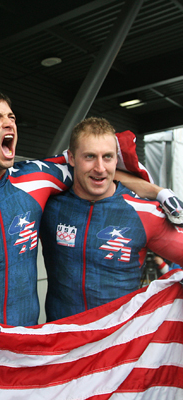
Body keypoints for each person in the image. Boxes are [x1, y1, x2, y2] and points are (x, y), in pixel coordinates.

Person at [0, 89, 178, 326]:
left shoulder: (37, 179)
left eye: (10, 117)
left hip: (33, 352)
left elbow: (96, 170)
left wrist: (158, 191)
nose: (9, 122)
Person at [39, 117, 183, 321]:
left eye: (107, 157)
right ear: (71, 158)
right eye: (89, 157)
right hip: (63, 343)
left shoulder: (144, 212)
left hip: (120, 346)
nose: (100, 168)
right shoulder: (48, 205)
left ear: (117, 159)